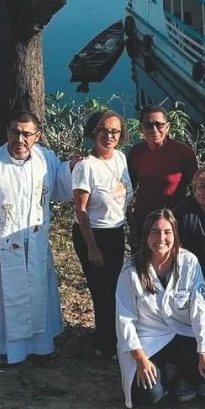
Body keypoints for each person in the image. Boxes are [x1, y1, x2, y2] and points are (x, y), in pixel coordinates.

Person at [0, 111, 72, 366]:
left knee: (38, 293)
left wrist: (74, 168)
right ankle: (3, 349)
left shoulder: (46, 159)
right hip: (3, 246)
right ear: (7, 133)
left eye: (26, 134)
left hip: (34, 242)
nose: (20, 139)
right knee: (4, 296)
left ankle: (41, 346)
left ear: (37, 136)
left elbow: (59, 188)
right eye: (15, 132)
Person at [115, 209, 205, 408]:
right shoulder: (131, 270)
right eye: (154, 232)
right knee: (148, 396)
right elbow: (124, 319)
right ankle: (163, 373)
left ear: (175, 235)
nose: (161, 238)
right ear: (146, 235)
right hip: (148, 339)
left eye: (167, 232)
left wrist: (204, 352)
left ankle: (180, 375)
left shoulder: (189, 262)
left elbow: (201, 310)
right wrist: (140, 360)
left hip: (181, 334)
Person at [71, 110, 133, 358]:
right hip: (93, 234)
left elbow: (125, 196)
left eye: (115, 131)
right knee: (102, 290)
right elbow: (81, 210)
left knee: (116, 288)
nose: (109, 135)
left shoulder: (120, 158)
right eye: (103, 130)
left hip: (116, 231)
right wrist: (92, 246)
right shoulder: (86, 166)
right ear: (93, 132)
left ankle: (107, 335)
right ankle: (106, 345)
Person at [127, 105, 199, 229]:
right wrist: (131, 221)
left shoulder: (183, 152)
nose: (154, 129)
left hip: (173, 220)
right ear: (141, 128)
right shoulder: (136, 153)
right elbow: (127, 189)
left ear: (167, 127)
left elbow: (196, 188)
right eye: (148, 125)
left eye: (159, 124)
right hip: (143, 220)